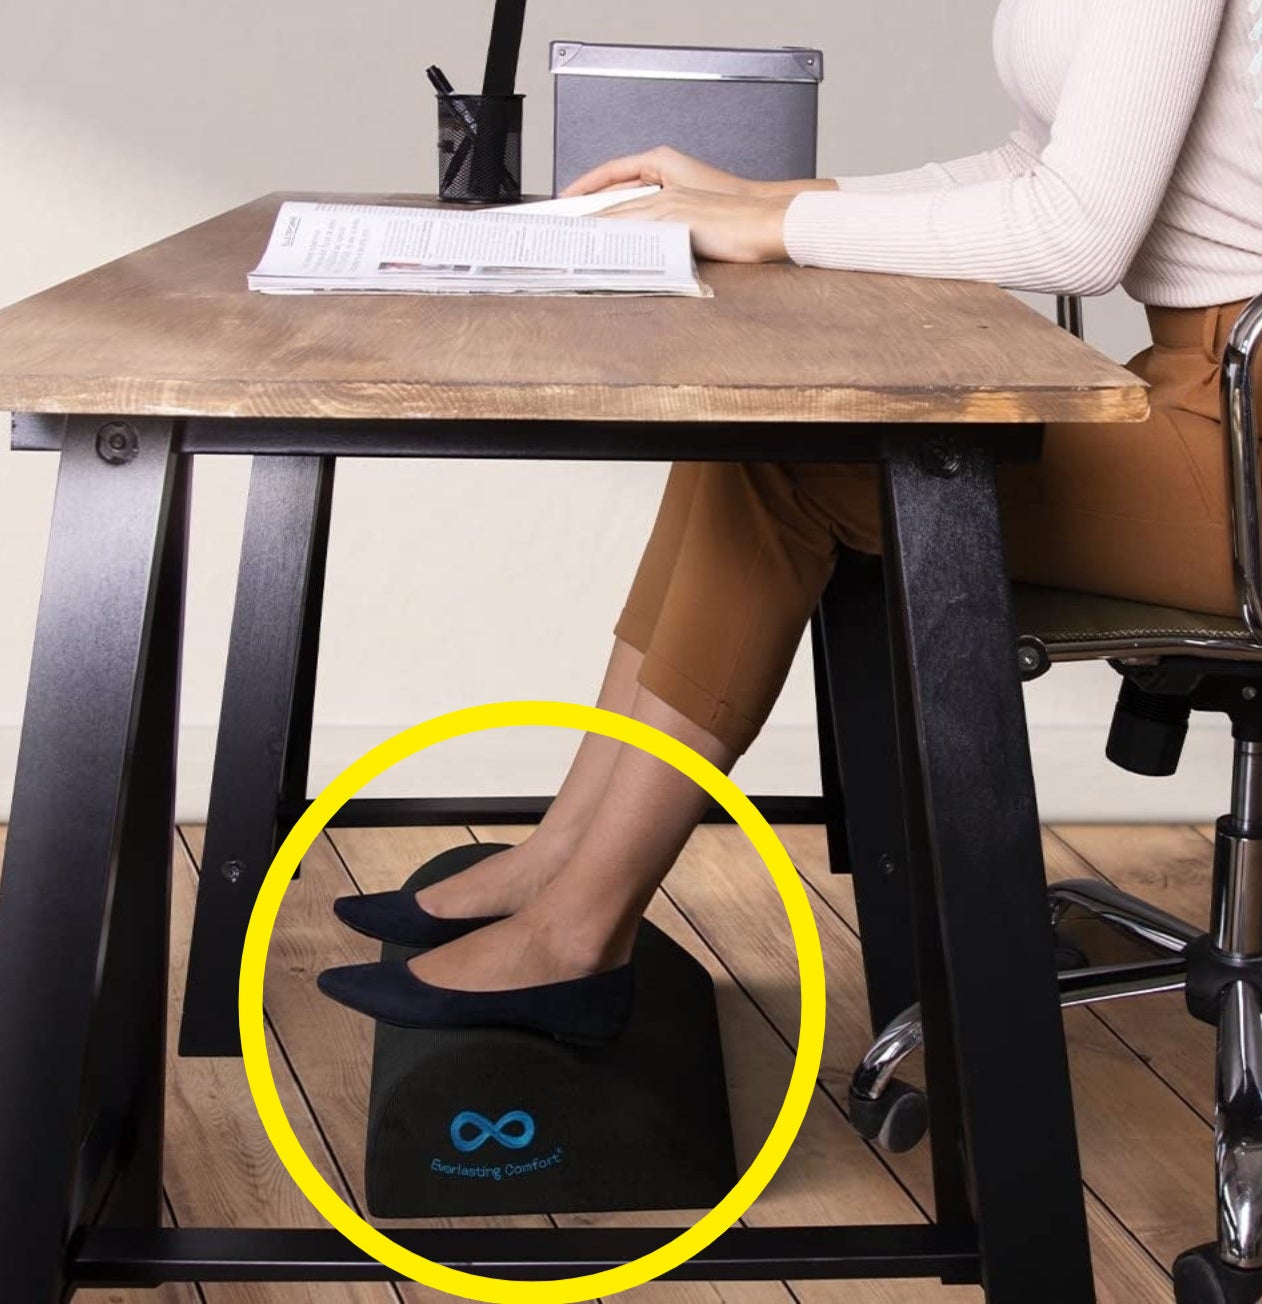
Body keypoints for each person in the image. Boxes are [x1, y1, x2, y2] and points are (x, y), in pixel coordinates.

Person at [318, 0, 1262, 1043]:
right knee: (752, 436)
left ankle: (575, 932)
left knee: (792, 460)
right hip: (1198, 387)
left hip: (1236, 425)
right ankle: (565, 854)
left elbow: (1072, 232)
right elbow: (1028, 164)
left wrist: (767, 225)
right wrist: (757, 194)